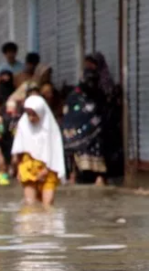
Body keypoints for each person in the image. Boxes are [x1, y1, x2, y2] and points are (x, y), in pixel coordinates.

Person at [12, 96, 65, 207]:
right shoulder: (23, 124)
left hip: (49, 169)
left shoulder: (51, 127)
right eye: (28, 114)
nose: (30, 118)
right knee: (29, 205)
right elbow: (19, 148)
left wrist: (46, 169)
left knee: (48, 205)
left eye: (34, 114)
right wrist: (18, 169)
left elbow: (54, 151)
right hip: (28, 168)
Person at [62, 68, 108, 186]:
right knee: (73, 151)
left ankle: (99, 178)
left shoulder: (98, 95)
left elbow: (102, 113)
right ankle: (74, 175)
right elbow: (68, 115)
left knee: (97, 150)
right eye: (88, 80)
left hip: (94, 132)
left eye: (93, 81)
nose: (90, 84)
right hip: (74, 133)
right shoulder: (73, 96)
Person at [85, 52, 124, 180]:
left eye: (92, 64)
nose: (89, 67)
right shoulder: (88, 80)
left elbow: (110, 102)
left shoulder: (106, 82)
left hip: (106, 122)